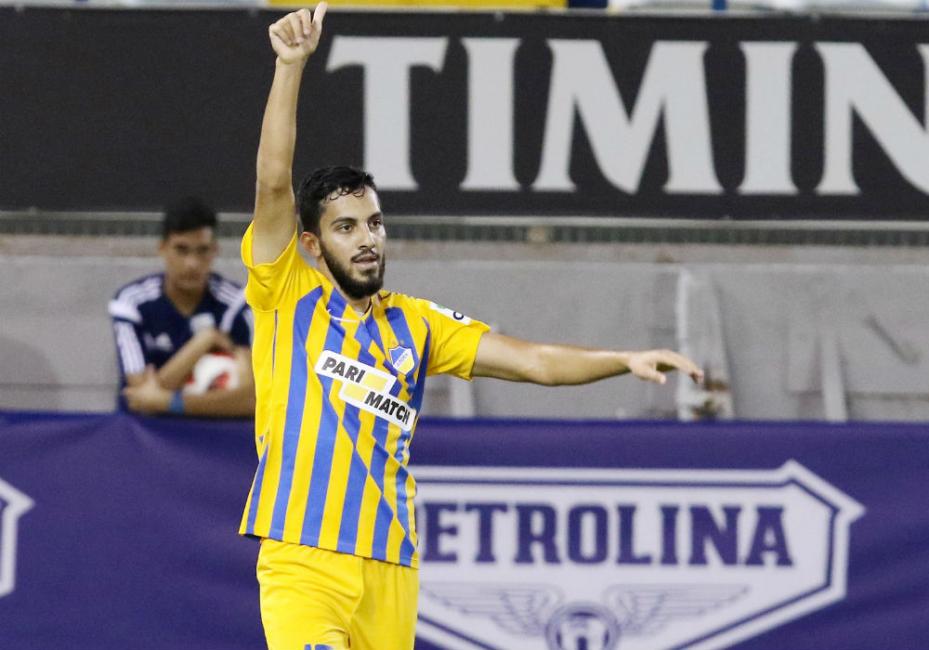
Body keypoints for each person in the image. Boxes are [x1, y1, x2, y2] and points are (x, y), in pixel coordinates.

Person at [242, 5, 703, 649]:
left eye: (374, 223)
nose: (367, 239)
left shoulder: (418, 325)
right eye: (345, 228)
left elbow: (534, 362)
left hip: (392, 562)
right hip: (302, 559)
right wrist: (290, 67)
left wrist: (622, 359)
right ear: (314, 246)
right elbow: (272, 185)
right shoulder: (287, 295)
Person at [109, 196, 256, 417]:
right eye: (181, 250)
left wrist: (169, 402)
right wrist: (203, 342)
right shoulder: (131, 302)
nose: (192, 263)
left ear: (215, 250)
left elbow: (252, 400)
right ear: (162, 248)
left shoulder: (236, 303)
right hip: (144, 432)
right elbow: (139, 396)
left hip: (216, 432)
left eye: (202, 250)